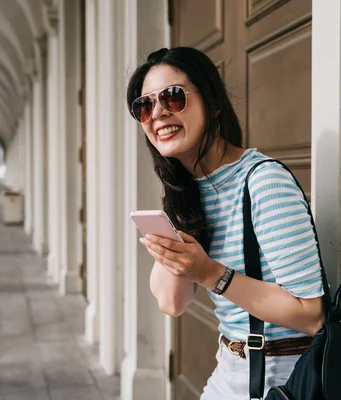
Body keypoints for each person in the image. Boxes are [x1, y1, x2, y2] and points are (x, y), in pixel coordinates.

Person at [127, 47, 326, 398]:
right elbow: (172, 304)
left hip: (283, 376)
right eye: (144, 106)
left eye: (172, 98)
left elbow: (311, 316)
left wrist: (209, 273)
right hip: (231, 367)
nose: (157, 113)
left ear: (214, 103)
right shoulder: (189, 191)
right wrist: (174, 228)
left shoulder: (263, 182)